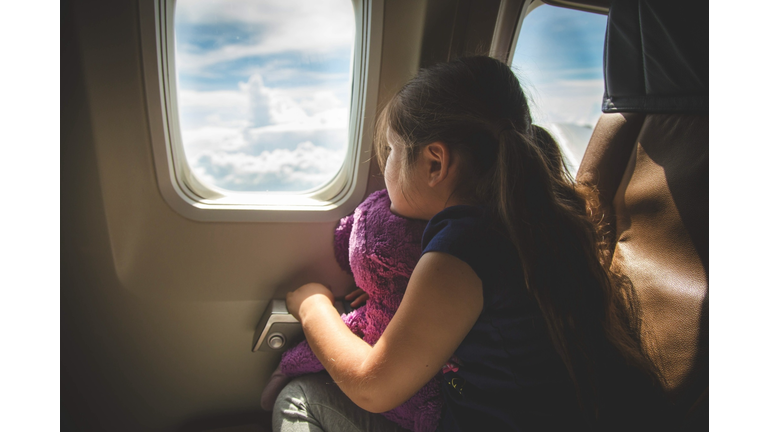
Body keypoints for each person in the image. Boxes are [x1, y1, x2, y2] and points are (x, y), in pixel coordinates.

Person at [273, 56, 670, 432]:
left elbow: (372, 387)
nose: (386, 164)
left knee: (301, 398)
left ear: (435, 163)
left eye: (392, 150)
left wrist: (313, 305)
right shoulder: (526, 224)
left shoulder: (462, 247)